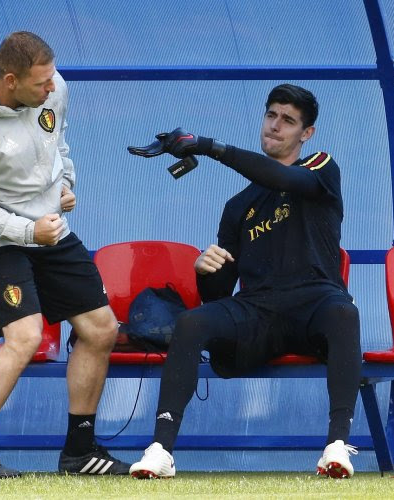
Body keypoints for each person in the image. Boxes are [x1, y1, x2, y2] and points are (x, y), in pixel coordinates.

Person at [127, 84, 362, 479]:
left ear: (306, 134)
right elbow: (218, 295)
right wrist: (208, 270)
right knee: (191, 321)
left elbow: (284, 179)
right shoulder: (238, 206)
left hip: (315, 302)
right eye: (271, 115)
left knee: (344, 313)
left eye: (288, 120)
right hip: (259, 312)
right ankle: (160, 450)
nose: (275, 126)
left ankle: (337, 446)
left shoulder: (320, 166)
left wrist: (209, 146)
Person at [0, 31, 129, 478]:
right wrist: (28, 230)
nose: (52, 88)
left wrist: (66, 182)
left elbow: (57, 144)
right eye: (41, 83)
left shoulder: (54, 88)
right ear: (10, 80)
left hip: (51, 229)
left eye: (52, 79)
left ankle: (79, 453)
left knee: (101, 329)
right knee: (24, 337)